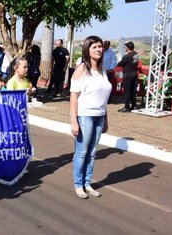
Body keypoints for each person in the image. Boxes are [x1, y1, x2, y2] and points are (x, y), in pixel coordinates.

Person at [70, 35, 111, 199]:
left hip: (99, 116)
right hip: (84, 116)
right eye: (94, 47)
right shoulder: (82, 69)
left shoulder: (102, 71)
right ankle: (78, 185)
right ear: (87, 49)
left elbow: (104, 98)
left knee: (92, 153)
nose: (98, 49)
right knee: (81, 152)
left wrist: (106, 119)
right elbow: (73, 96)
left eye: (100, 46)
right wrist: (74, 121)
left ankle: (87, 183)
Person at [117, 41, 139, 112]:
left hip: (128, 76)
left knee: (127, 92)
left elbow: (119, 64)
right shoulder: (136, 55)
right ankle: (133, 106)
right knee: (133, 91)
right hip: (134, 75)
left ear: (127, 48)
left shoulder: (126, 56)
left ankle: (126, 107)